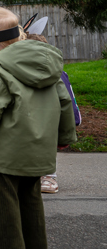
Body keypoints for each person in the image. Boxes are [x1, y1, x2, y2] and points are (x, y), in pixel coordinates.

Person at [0, 8, 77, 249]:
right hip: (40, 149)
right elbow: (64, 102)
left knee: (6, 199)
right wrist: (64, 137)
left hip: (8, 150)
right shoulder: (48, 66)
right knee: (30, 195)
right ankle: (34, 248)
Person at [26, 32, 82, 194]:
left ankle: (48, 176)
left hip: (50, 118)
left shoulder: (58, 73)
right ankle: (34, 174)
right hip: (32, 117)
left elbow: (68, 99)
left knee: (46, 147)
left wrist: (71, 122)